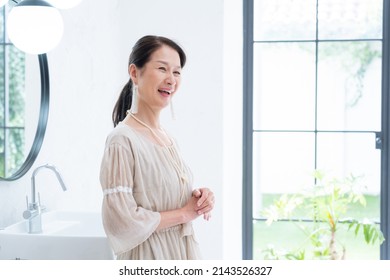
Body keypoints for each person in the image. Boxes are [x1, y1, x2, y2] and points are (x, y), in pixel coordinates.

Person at [99, 35, 215, 260]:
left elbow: (163, 195)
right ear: (134, 73)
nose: (171, 79)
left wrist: (199, 199)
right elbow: (121, 223)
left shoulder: (167, 138)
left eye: (177, 72)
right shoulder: (121, 140)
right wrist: (184, 213)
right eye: (162, 68)